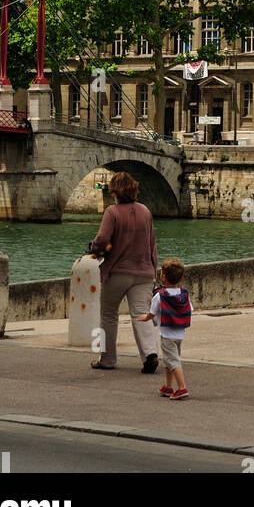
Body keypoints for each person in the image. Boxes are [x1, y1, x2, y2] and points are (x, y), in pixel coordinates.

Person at [87, 170, 160, 374]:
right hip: (144, 271)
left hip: (118, 271)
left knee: (108, 315)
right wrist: (153, 269)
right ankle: (150, 353)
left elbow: (102, 240)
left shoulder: (113, 212)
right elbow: (152, 243)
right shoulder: (145, 211)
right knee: (141, 314)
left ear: (114, 191)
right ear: (134, 189)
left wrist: (93, 248)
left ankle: (107, 358)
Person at [139, 257, 192, 400]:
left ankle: (182, 388)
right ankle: (168, 386)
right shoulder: (184, 294)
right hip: (180, 333)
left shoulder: (160, 296)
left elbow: (152, 312)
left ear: (163, 276)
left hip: (167, 334)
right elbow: (190, 309)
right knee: (170, 360)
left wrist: (145, 318)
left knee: (173, 362)